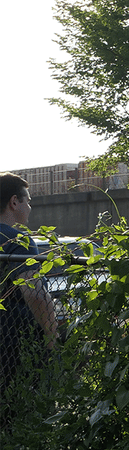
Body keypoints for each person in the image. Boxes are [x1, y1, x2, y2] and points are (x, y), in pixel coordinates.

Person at [0, 173, 58, 427]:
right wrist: (51, 336)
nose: (30, 207)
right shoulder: (19, 241)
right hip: (14, 340)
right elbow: (34, 293)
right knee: (23, 412)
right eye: (28, 200)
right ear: (14, 202)